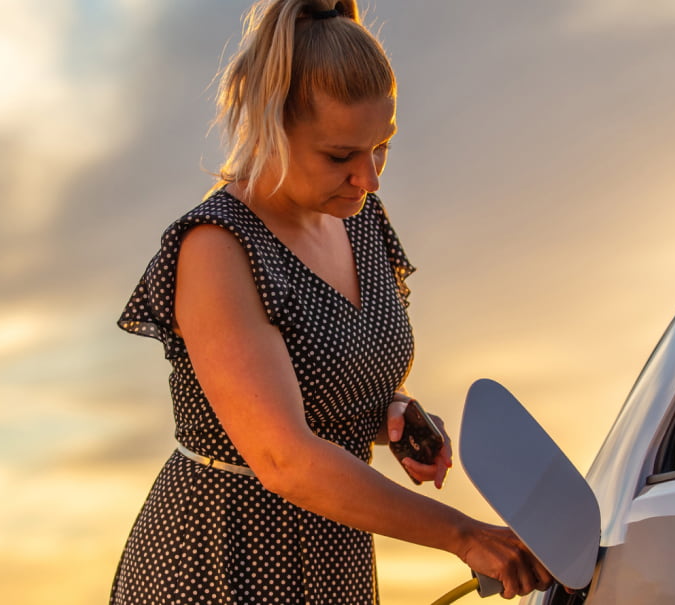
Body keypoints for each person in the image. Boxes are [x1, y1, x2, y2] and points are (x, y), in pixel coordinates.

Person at [109, 0, 553, 602]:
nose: (369, 178)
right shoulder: (217, 246)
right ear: (269, 124)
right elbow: (283, 457)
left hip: (334, 554)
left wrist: (392, 413)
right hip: (222, 558)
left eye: (382, 147)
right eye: (340, 155)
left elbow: (327, 374)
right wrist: (464, 535)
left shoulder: (359, 216)